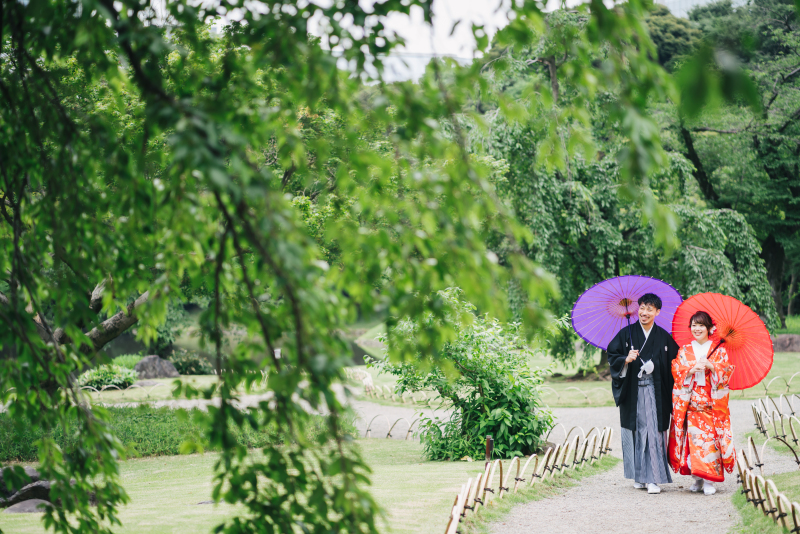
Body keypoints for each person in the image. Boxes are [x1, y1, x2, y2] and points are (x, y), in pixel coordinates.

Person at [607, 293, 680, 494]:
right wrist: (625, 359)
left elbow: (676, 363)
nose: (644, 312)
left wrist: (655, 365)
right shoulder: (626, 334)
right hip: (633, 392)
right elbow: (612, 355)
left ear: (657, 312)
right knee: (635, 432)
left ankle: (652, 478)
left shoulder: (664, 337)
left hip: (655, 392)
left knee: (653, 431)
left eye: (649, 309)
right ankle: (639, 475)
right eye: (642, 308)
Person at [668, 311, 735, 495]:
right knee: (692, 444)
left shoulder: (719, 350)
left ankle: (709, 481)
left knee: (709, 442)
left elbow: (726, 371)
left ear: (709, 329)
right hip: (691, 405)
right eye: (694, 325)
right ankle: (697, 479)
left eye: (701, 325)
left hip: (710, 406)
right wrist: (690, 370)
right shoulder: (684, 350)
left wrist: (712, 367)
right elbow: (677, 369)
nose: (696, 329)